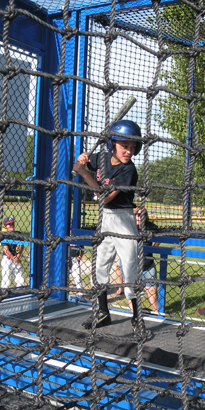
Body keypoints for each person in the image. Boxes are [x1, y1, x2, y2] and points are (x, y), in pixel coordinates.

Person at [72, 119, 143, 330]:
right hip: (105, 220)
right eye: (124, 146)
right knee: (100, 266)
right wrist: (83, 159)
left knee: (130, 267)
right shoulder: (101, 158)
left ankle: (137, 317)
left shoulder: (128, 170)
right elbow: (85, 160)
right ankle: (103, 313)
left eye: (132, 147)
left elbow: (105, 198)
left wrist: (84, 173)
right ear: (112, 144)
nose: (128, 151)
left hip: (123, 220)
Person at [0, 216, 25, 288]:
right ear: (5, 226)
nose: (12, 226)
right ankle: (4, 293)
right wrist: (13, 257)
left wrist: (17, 257)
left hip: (16, 258)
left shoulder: (18, 234)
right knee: (6, 280)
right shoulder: (4, 236)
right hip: (7, 259)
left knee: (20, 280)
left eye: (13, 223)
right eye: (9, 224)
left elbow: (21, 246)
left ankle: (20, 292)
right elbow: (6, 249)